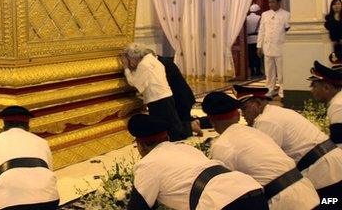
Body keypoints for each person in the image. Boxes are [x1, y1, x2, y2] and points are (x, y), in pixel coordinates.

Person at [202, 92, 319, 209]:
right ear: (238, 115)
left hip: (284, 203)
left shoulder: (222, 145)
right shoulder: (256, 132)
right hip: (308, 192)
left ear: (212, 122)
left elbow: (225, 192)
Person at [126, 114, 267, 210]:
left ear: (141, 145)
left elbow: (138, 207)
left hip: (220, 202)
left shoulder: (147, 164)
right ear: (167, 137)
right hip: (251, 188)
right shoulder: (186, 149)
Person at [236, 84, 342, 199]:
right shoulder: (276, 113)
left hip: (324, 172)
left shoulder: (266, 121)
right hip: (329, 164)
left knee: (330, 203)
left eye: (244, 108)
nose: (243, 114)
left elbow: (264, 163)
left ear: (258, 104)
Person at [0, 106, 59, 210]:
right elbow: (49, 172)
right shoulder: (42, 142)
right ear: (27, 126)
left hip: (8, 205)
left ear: (4, 126)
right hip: (49, 201)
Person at [121, 43, 185, 141]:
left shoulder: (143, 65)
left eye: (129, 59)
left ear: (133, 57)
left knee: (163, 125)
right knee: (173, 121)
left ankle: (172, 143)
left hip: (157, 99)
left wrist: (126, 68)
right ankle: (177, 141)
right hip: (166, 96)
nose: (130, 63)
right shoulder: (153, 60)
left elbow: (133, 82)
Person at [257, 0, 290, 98]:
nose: (271, 4)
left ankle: (282, 92)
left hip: (280, 47)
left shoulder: (286, 14)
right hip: (267, 47)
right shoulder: (265, 14)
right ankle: (269, 89)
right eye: (269, 2)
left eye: (273, 2)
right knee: (269, 71)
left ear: (279, 2)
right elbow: (261, 30)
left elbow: (288, 31)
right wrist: (259, 46)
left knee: (281, 72)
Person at [156, 55, 196, 137]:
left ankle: (192, 126)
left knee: (178, 130)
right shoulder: (162, 61)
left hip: (180, 100)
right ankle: (194, 124)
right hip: (183, 98)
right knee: (182, 122)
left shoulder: (160, 64)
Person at [308, 61, 342, 148]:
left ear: (326, 88)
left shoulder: (338, 106)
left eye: (314, 86)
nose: (311, 90)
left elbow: (339, 145)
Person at [246, 4, 263, 76]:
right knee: (258, 55)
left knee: (250, 55)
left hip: (248, 39)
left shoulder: (246, 18)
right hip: (257, 38)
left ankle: (252, 70)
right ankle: (258, 70)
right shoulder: (259, 17)